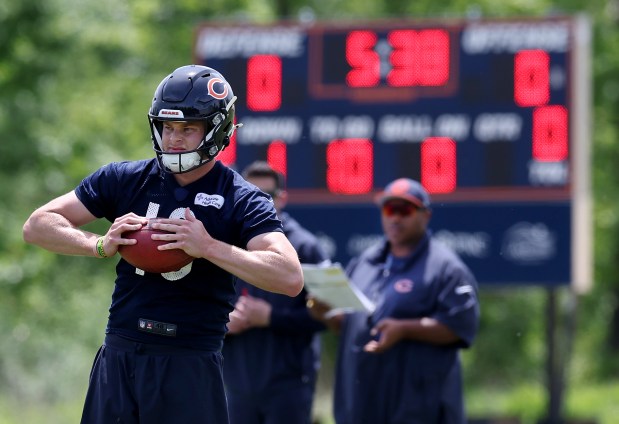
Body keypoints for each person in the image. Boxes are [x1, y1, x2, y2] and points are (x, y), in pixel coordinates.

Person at [22, 64, 304, 424]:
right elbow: (37, 225)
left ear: (217, 129)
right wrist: (99, 244)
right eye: (168, 127)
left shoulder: (241, 197)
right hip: (120, 353)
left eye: (188, 129)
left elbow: (290, 276)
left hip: (189, 360)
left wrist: (209, 247)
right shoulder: (125, 178)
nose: (174, 138)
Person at [308, 178, 480, 424]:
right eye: (389, 210)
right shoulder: (365, 262)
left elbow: (461, 326)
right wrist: (324, 313)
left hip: (418, 407)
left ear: (425, 215)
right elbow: (351, 326)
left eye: (405, 210)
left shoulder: (445, 268)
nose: (395, 218)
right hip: (362, 402)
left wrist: (404, 329)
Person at [222, 160, 329, 424]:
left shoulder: (304, 247)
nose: (258, 201)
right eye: (250, 194)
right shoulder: (224, 244)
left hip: (288, 383)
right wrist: (224, 322)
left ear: (282, 198)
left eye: (266, 195)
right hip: (237, 383)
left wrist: (271, 317)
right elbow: (201, 305)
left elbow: (325, 316)